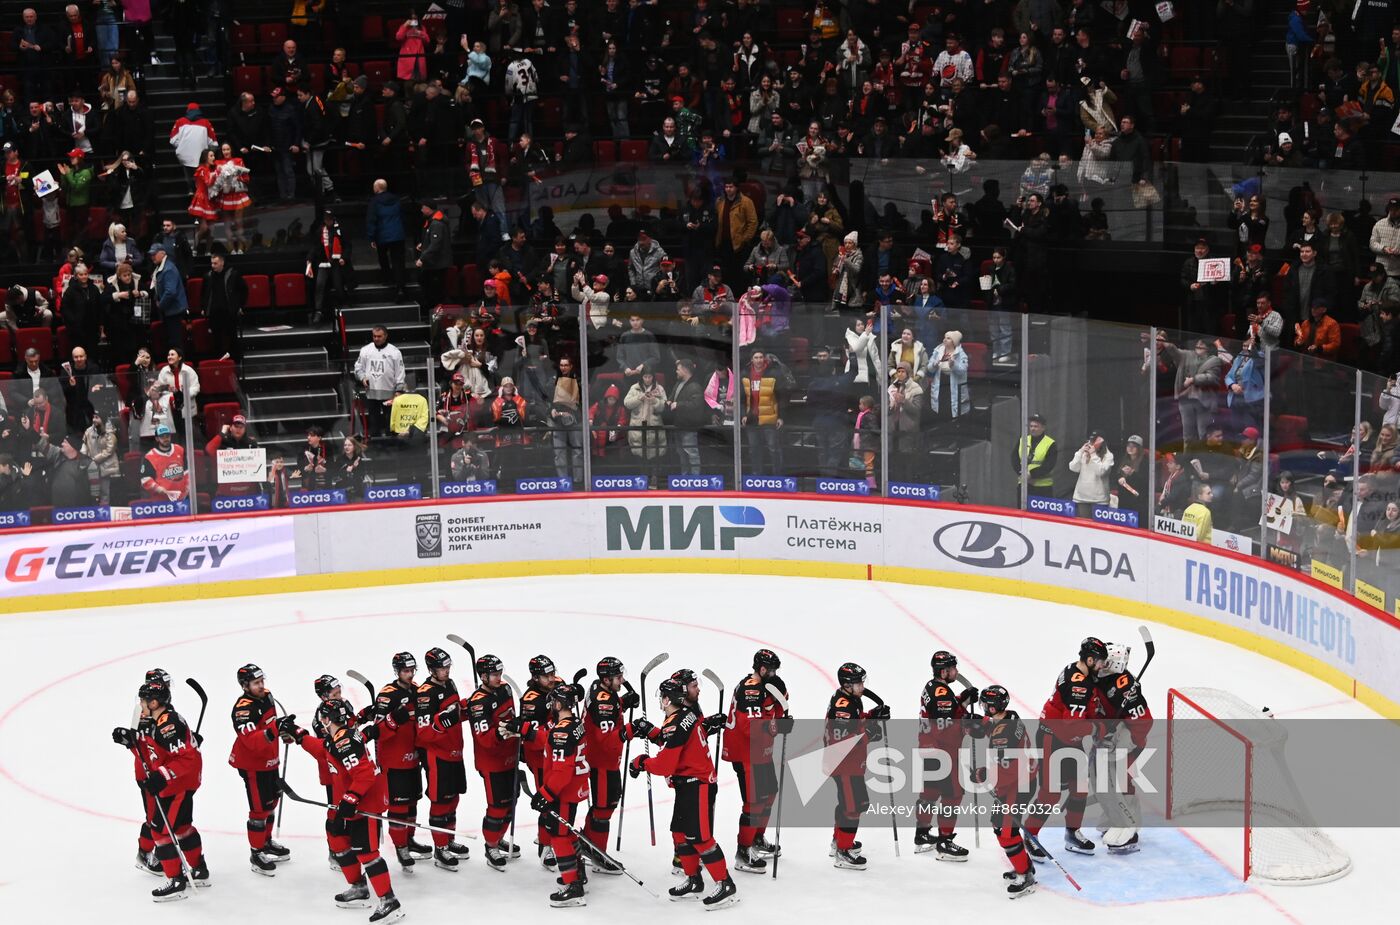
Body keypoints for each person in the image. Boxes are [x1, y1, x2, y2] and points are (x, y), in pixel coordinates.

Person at [279, 701, 405, 922]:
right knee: (337, 838)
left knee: (366, 852)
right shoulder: (337, 738)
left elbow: (364, 775)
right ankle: (358, 888)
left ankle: (389, 901)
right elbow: (322, 749)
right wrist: (298, 734)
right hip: (351, 802)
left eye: (323, 718)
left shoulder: (345, 741)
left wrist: (350, 799)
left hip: (365, 804)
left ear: (328, 719)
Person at [627, 679, 739, 908]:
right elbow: (674, 742)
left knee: (701, 838)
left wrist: (641, 762)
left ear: (668, 699)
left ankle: (725, 884)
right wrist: (650, 732)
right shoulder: (686, 715)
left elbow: (665, 765)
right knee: (679, 833)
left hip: (698, 785)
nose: (661, 700)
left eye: (662, 697)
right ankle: (694, 880)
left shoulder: (676, 723)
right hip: (688, 785)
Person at [111, 679, 209, 901]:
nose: (141, 705)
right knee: (183, 827)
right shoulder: (157, 720)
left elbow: (188, 759)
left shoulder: (167, 725)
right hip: (176, 783)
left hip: (176, 785)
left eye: (143, 701)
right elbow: (152, 753)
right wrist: (129, 742)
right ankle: (199, 870)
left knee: (161, 832)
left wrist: (163, 775)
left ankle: (176, 881)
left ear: (154, 702)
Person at [1022, 637, 1110, 858]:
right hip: (1053, 739)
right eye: (1099, 662)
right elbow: (1072, 725)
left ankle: (1072, 834)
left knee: (1079, 788)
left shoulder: (1080, 672)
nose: (1102, 666)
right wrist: (1097, 728)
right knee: (1050, 794)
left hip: (1070, 740)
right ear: (1089, 660)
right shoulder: (1078, 685)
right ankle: (1030, 836)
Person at [720, 649, 788, 872]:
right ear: (761, 669)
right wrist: (778, 726)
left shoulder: (768, 686)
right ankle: (743, 851)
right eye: (772, 670)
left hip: (760, 751)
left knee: (770, 792)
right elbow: (750, 728)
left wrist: (781, 704)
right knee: (754, 801)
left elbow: (777, 711)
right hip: (746, 753)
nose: (774, 673)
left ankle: (757, 839)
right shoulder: (750, 689)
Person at [967, 685, 1037, 898]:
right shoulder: (1010, 717)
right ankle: (1024, 865)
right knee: (1000, 827)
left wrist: (982, 775)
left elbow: (1008, 770)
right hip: (1019, 781)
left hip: (1017, 786)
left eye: (985, 705)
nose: (983, 707)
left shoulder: (1002, 737)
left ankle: (1026, 876)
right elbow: (991, 725)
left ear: (994, 706)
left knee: (1006, 833)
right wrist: (977, 723)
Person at [524, 683, 591, 907]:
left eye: (554, 701)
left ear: (560, 703)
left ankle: (574, 888)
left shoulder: (562, 731)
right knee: (568, 832)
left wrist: (545, 793)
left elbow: (562, 772)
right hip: (573, 790)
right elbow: (550, 741)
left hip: (563, 792)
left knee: (559, 836)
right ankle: (577, 872)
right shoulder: (574, 724)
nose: (551, 704)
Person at [822, 662, 886, 870]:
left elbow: (856, 722)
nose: (862, 686)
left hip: (849, 764)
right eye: (858, 682)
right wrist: (870, 733)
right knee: (853, 806)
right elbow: (844, 741)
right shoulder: (843, 707)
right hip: (844, 765)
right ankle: (843, 851)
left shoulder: (851, 700)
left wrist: (871, 716)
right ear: (847, 685)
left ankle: (838, 841)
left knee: (848, 803)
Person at [414, 647, 473, 871]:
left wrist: (469, 709)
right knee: (440, 801)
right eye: (441, 668)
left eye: (448, 667)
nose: (446, 671)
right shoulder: (425, 693)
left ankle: (448, 839)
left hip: (456, 752)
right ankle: (440, 849)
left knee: (454, 798)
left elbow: (455, 715)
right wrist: (440, 723)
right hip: (437, 757)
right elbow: (422, 732)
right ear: (431, 669)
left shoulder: (450, 684)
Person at [227, 664, 289, 876]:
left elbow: (271, 727)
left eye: (262, 681)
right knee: (259, 809)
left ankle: (266, 841)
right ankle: (256, 853)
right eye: (256, 683)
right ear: (245, 686)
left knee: (272, 801)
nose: (261, 686)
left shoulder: (268, 696)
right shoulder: (243, 709)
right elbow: (252, 740)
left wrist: (284, 733)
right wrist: (275, 730)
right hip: (252, 765)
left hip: (270, 760)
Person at [465, 653, 523, 872]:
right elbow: (484, 739)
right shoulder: (478, 702)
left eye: (500, 673)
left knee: (512, 801)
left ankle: (498, 838)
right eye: (494, 674)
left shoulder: (505, 689)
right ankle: (491, 845)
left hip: (511, 757)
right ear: (483, 676)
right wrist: (502, 733)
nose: (499, 677)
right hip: (491, 762)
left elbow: (512, 717)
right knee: (497, 805)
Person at [913, 651, 974, 858]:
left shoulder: (933, 687)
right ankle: (945, 843)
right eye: (953, 668)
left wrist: (962, 701)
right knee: (953, 794)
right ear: (944, 671)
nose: (957, 671)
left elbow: (946, 709)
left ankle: (921, 835)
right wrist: (969, 723)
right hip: (942, 752)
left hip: (929, 748)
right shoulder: (942, 695)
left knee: (930, 792)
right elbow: (947, 730)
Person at [579, 657, 636, 870]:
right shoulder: (603, 702)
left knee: (605, 804)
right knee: (604, 808)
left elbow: (609, 709)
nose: (622, 681)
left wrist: (623, 703)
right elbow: (606, 740)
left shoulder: (601, 690)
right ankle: (599, 855)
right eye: (618, 677)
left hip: (604, 760)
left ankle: (586, 842)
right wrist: (631, 730)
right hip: (601, 761)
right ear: (606, 678)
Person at [355, 327, 406, 438]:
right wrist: (363, 378)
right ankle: (375, 444)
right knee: (374, 420)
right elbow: (358, 368)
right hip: (372, 391)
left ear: (386, 336)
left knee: (390, 420)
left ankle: (392, 443)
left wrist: (399, 390)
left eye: (379, 336)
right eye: (374, 336)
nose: (376, 339)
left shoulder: (394, 352)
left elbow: (400, 371)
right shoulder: (365, 350)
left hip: (389, 391)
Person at [306, 210, 351, 324]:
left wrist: (344, 257)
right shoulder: (320, 231)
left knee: (338, 284)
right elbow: (315, 247)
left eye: (329, 219)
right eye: (326, 219)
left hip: (336, 262)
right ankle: (318, 310)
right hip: (323, 262)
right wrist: (309, 259)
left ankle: (343, 302)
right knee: (319, 285)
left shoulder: (340, 230)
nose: (328, 221)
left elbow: (347, 246)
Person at [204, 245, 245, 361]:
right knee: (216, 339)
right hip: (214, 313)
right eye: (212, 263)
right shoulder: (208, 276)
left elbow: (243, 290)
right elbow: (205, 293)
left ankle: (236, 360)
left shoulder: (233, 274)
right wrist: (204, 307)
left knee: (232, 337)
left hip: (229, 312)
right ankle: (218, 362)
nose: (212, 266)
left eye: (215, 263)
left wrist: (240, 305)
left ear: (222, 262)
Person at [367, 180, 407, 298]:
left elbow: (371, 220)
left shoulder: (374, 202)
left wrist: (371, 237)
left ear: (377, 188)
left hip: (382, 235)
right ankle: (400, 287)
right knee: (398, 261)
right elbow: (402, 217)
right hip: (398, 235)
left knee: (383, 258)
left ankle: (387, 279)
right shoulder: (397, 199)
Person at [148, 243, 188, 356]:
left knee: (175, 342)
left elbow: (170, 292)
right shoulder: (161, 267)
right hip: (169, 311)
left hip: (173, 311)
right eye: (151, 255)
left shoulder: (168, 269)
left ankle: (179, 366)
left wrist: (160, 305)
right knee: (171, 340)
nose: (152, 257)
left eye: (154, 254)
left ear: (162, 253)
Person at [416, 200, 453, 314]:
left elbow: (436, 244)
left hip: (436, 264)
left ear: (428, 208)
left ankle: (433, 312)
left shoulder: (436, 223)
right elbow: (432, 241)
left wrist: (422, 258)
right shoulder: (433, 221)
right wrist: (424, 244)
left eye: (423, 208)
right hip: (434, 263)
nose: (421, 210)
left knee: (434, 290)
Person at [1068, 431, 1114, 518]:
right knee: (1084, 526)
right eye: (1090, 441)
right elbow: (1073, 468)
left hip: (1099, 499)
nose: (1091, 444)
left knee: (1099, 527)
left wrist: (1093, 455)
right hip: (1082, 497)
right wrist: (1080, 452)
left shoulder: (1108, 456)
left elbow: (1101, 472)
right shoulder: (1084, 453)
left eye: (1094, 442)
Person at [139, 424, 188, 500]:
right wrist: (160, 489)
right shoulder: (150, 456)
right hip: (161, 499)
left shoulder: (179, 449)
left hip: (182, 497)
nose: (166, 439)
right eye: (162, 437)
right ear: (157, 439)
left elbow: (187, 471)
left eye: (167, 436)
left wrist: (188, 487)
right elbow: (145, 479)